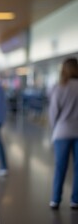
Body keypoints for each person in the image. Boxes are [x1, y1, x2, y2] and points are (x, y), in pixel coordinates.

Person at [48, 57, 78, 210]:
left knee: (60, 166)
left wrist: (54, 128)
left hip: (62, 132)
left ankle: (55, 199)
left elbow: (53, 112)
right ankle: (75, 200)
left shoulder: (59, 87)